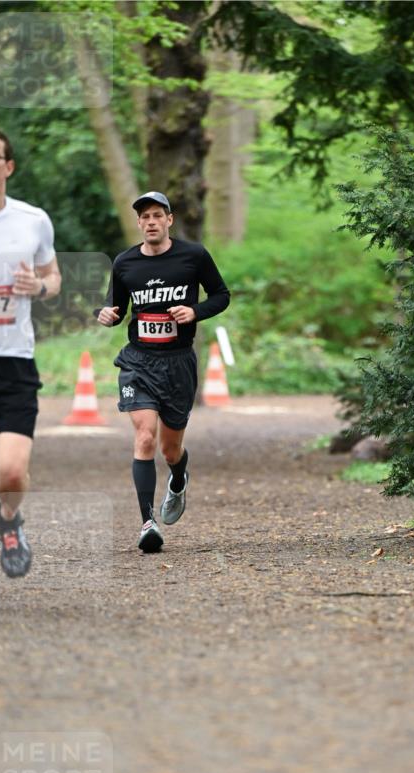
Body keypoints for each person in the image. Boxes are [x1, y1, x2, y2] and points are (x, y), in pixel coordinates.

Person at [96, 191, 230, 553]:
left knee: (170, 450)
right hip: (138, 361)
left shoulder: (193, 255)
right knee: (145, 437)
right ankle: (147, 522)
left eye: (157, 215)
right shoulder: (125, 262)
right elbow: (115, 308)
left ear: (169, 220)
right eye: (145, 216)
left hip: (178, 363)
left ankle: (179, 475)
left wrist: (195, 312)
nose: (151, 221)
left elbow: (221, 295)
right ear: (139, 223)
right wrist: (106, 315)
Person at [0, 126, 61, 610]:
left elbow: (53, 277)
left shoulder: (33, 220)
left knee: (12, 474)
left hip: (14, 364)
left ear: (8, 166)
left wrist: (37, 287)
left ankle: (10, 518)